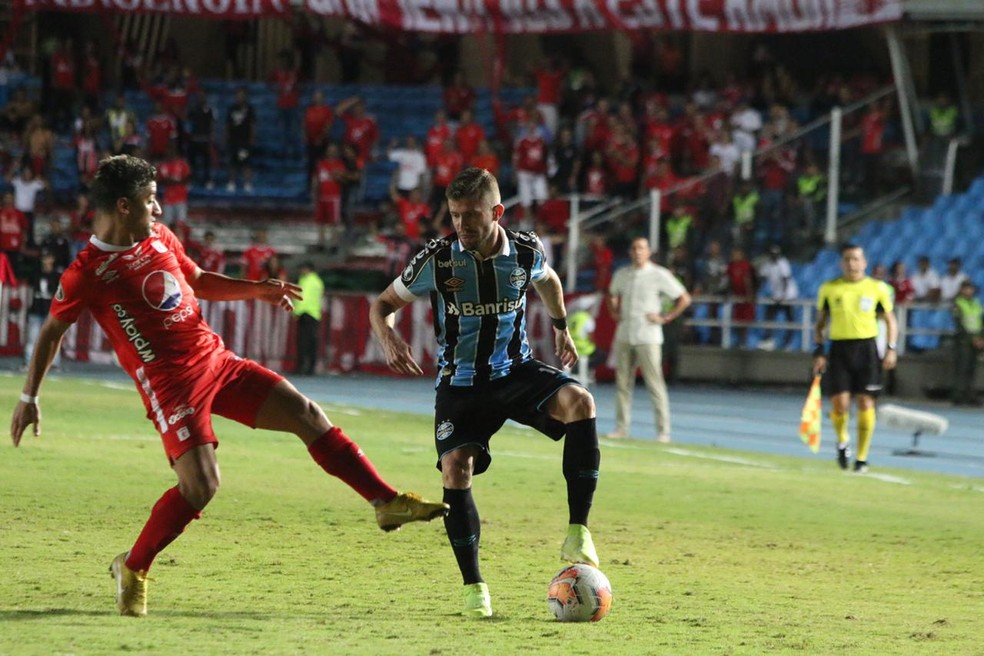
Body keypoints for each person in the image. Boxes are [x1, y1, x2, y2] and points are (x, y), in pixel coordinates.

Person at [9, 155, 449, 617]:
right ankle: (133, 568)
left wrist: (256, 289)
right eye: (150, 201)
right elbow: (51, 332)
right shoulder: (88, 272)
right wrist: (29, 396)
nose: (158, 210)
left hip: (216, 361)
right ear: (123, 206)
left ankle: (384, 501)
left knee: (307, 414)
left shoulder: (159, 237)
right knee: (201, 486)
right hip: (171, 387)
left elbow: (196, 281)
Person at [368, 167, 600, 619]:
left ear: (496, 212)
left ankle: (578, 530)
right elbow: (382, 305)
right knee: (456, 468)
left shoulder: (526, 251)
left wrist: (561, 329)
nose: (462, 226)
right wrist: (388, 337)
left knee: (581, 402)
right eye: (454, 215)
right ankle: (474, 588)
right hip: (460, 383)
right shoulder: (436, 259)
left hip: (515, 371)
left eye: (471, 215)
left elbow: (548, 281)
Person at [812, 243, 898, 473]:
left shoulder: (877, 288)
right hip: (839, 349)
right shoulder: (830, 289)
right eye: (847, 259)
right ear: (842, 263)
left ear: (864, 262)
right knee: (839, 404)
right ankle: (842, 442)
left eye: (856, 259)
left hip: (867, 349)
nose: (852, 263)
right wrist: (819, 352)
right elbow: (820, 324)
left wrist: (891, 348)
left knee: (866, 402)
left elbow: (890, 321)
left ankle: (861, 458)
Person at [606, 237, 692, 442]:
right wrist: (614, 310)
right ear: (630, 252)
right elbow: (612, 294)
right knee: (623, 384)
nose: (638, 252)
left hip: (648, 335)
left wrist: (666, 317)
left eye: (641, 248)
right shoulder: (622, 274)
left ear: (649, 252)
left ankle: (663, 431)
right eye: (634, 248)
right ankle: (621, 427)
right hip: (626, 332)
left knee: (655, 383)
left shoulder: (659, 274)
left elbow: (684, 298)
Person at [756, 245, 799, 351]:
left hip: (788, 295)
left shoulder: (783, 263)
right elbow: (762, 278)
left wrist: (783, 296)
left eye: (776, 254)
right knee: (769, 316)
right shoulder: (768, 265)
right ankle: (769, 340)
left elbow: (785, 280)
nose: (774, 256)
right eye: (772, 254)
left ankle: (788, 343)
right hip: (776, 296)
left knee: (789, 319)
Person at [950, 280, 983, 406]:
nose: (968, 291)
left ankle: (970, 395)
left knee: (972, 369)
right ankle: (958, 395)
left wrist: (981, 338)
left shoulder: (976, 303)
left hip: (976, 340)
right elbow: (960, 324)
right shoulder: (958, 303)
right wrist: (973, 339)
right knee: (962, 368)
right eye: (966, 288)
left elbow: (980, 321)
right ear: (961, 290)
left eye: (970, 288)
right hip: (963, 341)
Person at [294, 261, 324, 376]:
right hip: (314, 314)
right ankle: (310, 367)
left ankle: (301, 367)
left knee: (303, 342)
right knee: (312, 343)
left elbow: (303, 298)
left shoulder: (307, 281)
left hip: (306, 313)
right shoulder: (317, 281)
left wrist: (296, 312)